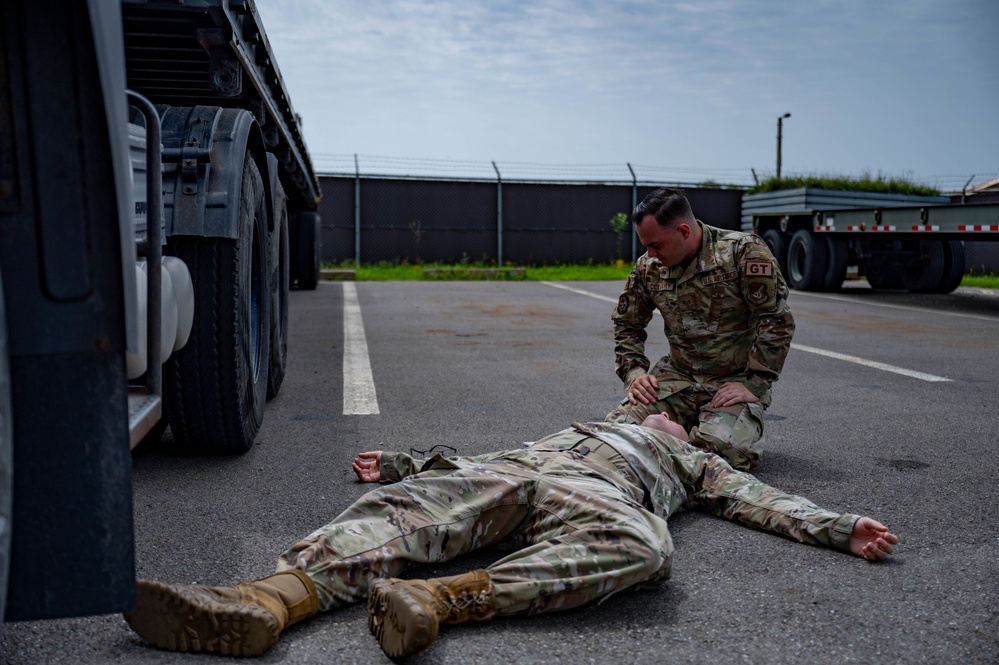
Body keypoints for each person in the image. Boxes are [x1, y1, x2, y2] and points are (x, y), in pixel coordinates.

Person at [124, 415, 897, 660]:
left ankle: (434, 601)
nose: (658, 411)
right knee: (414, 508)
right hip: (520, 467)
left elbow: (761, 498)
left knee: (647, 548)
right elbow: (474, 454)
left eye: (670, 414)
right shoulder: (586, 420)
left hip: (601, 495)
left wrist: (840, 527)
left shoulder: (691, 461)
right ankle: (264, 600)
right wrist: (404, 461)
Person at [606, 188, 796, 470]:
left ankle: (691, 432)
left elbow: (776, 320)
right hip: (678, 378)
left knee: (725, 451)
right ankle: (685, 432)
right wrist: (634, 373)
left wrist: (755, 384)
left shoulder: (742, 253)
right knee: (615, 436)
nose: (650, 254)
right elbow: (627, 324)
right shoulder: (649, 267)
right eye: (646, 245)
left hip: (731, 382)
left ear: (683, 231)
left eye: (656, 245)